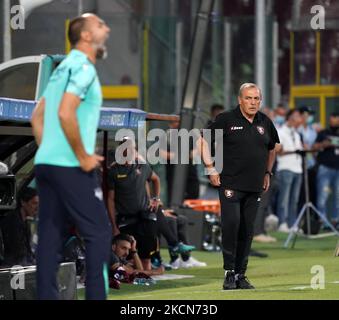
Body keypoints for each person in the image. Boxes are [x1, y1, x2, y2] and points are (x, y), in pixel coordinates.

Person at [31, 13, 111, 300]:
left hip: (47, 164)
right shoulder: (84, 68)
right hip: (71, 164)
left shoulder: (60, 69)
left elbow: (36, 116)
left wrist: (48, 150)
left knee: (50, 239)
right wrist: (82, 155)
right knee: (100, 232)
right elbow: (66, 112)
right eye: (101, 25)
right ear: (87, 36)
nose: (107, 29)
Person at [197, 83, 280, 290]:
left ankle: (241, 275)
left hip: (255, 186)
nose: (253, 103)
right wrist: (211, 168)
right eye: (249, 98)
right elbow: (203, 141)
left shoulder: (265, 122)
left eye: (256, 99)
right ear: (240, 99)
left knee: (247, 230)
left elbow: (273, 148)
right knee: (231, 225)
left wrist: (268, 172)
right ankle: (229, 272)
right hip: (230, 183)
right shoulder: (226, 119)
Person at [107, 137, 161, 272]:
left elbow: (156, 179)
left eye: (131, 148)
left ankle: (147, 275)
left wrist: (156, 198)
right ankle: (145, 274)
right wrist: (114, 225)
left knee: (146, 255)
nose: (128, 151)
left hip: (144, 216)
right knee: (128, 253)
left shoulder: (142, 166)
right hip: (126, 218)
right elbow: (110, 199)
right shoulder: (114, 170)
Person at [276, 109, 304, 232]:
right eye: (297, 116)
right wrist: (294, 151)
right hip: (285, 168)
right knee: (284, 198)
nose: (299, 119)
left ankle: (293, 224)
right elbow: (279, 152)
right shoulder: (280, 132)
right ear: (290, 118)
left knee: (295, 199)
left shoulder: (296, 134)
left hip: (298, 169)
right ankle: (282, 222)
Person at [0, 187, 38, 267]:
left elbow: (28, 252)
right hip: (11, 268)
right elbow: (17, 253)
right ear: (23, 202)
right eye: (34, 203)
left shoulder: (24, 222)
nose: (36, 208)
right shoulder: (12, 222)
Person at [313, 112, 339, 227]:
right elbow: (313, 147)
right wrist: (324, 144)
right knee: (322, 196)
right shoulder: (324, 133)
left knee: (338, 196)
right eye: (332, 117)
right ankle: (322, 222)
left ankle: (335, 221)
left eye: (336, 118)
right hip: (325, 168)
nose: (333, 120)